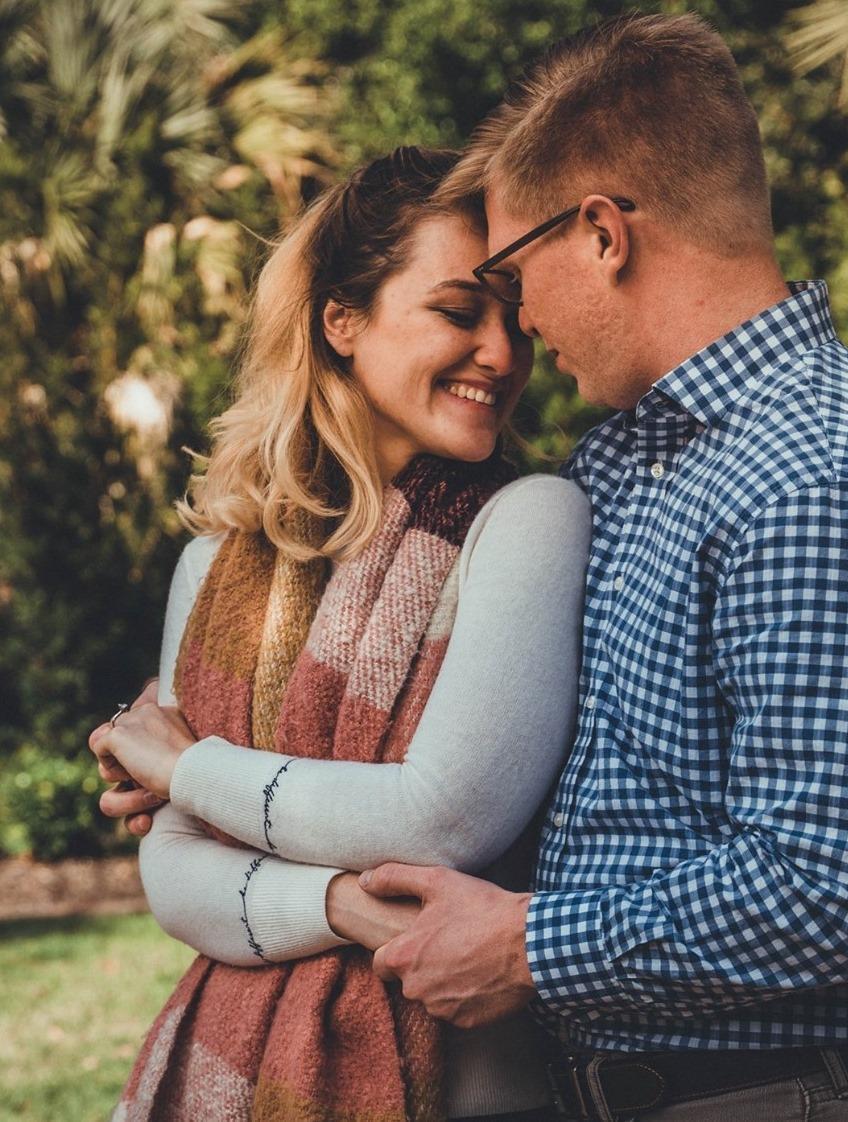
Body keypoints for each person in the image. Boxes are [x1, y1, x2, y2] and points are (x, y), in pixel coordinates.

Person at [339, 15, 848, 1122]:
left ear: (602, 234)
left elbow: (828, 889)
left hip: (782, 1098)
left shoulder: (819, 475)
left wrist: (528, 947)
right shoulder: (629, 460)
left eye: (512, 271)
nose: (518, 324)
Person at [88, 146, 589, 1122]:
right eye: (459, 310)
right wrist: (342, 907)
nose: (502, 351)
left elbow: (444, 819)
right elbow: (172, 872)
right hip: (224, 1070)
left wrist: (187, 771)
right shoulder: (217, 568)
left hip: (468, 1090)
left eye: (514, 317)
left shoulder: (529, 518)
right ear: (342, 320)